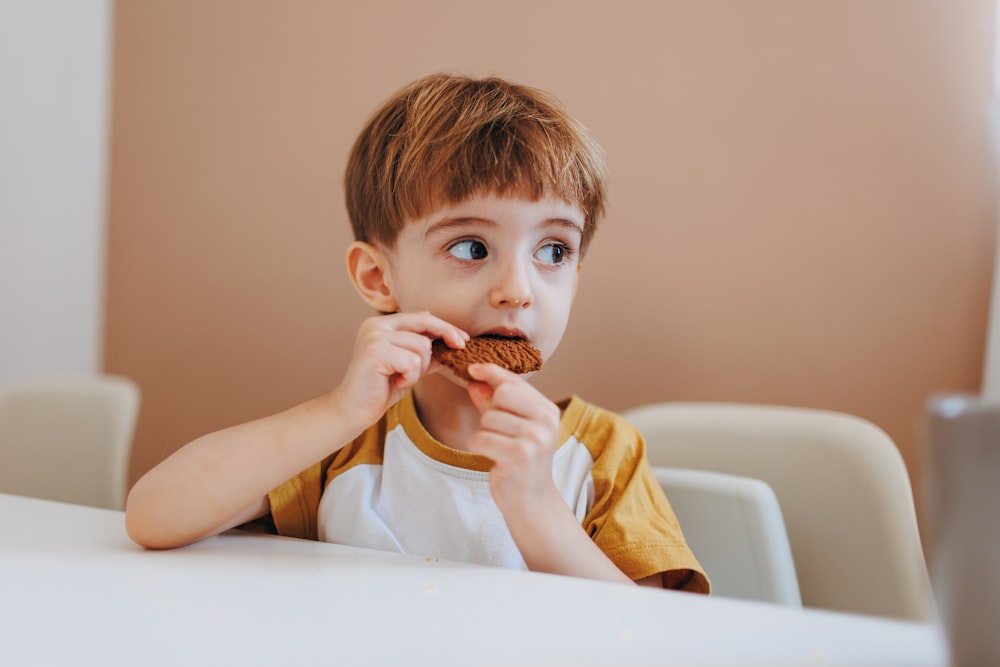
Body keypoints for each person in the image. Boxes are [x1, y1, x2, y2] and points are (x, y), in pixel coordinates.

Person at [125, 73, 709, 593]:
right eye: (472, 247)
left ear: (575, 280)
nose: (518, 288)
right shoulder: (344, 448)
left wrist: (537, 511)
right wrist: (334, 414)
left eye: (553, 251)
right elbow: (152, 517)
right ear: (379, 277)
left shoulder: (600, 453)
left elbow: (646, 633)